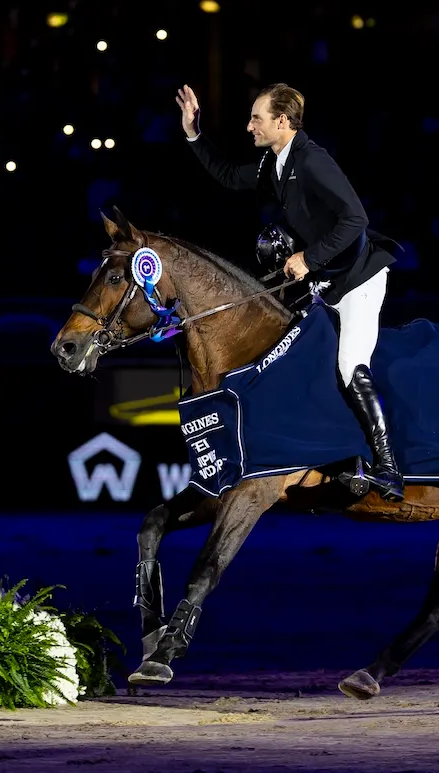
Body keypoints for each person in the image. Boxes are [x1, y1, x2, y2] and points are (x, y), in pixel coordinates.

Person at [175, 82, 404, 501]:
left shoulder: (313, 160)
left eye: (256, 118)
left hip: (359, 280)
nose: (248, 127)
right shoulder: (274, 162)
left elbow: (356, 219)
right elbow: (227, 175)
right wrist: (194, 133)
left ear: (282, 121)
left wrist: (308, 258)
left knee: (351, 363)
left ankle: (388, 469)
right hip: (327, 278)